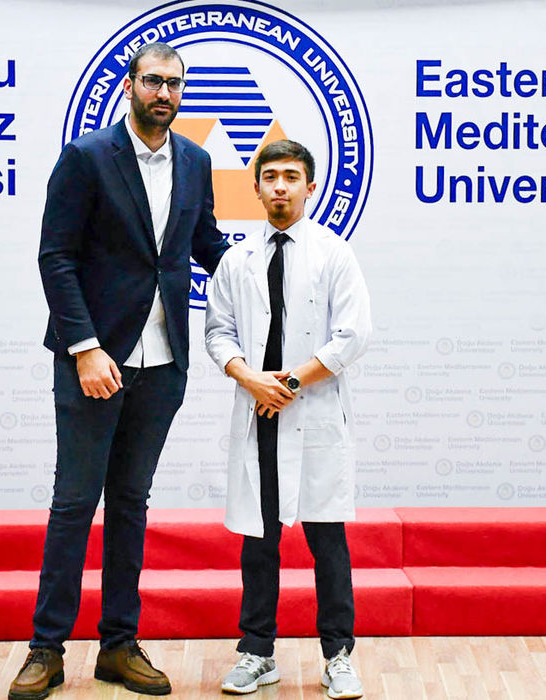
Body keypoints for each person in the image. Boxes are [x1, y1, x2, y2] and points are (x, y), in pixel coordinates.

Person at [8, 42, 228, 700]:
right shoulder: (86, 157)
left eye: (175, 84)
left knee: (131, 504)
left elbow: (206, 244)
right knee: (75, 504)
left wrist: (274, 263)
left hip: (163, 362)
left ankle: (118, 645)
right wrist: (84, 346)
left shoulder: (196, 161)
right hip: (94, 362)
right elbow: (56, 257)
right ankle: (46, 650)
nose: (165, 93)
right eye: (154, 81)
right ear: (129, 85)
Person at [204, 140, 371, 699]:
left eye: (291, 177)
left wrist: (291, 383)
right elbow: (218, 332)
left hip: (313, 412)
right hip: (260, 414)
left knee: (328, 543)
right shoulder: (236, 260)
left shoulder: (333, 254)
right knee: (260, 543)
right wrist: (251, 379)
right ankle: (257, 652)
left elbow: (354, 335)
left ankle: (338, 656)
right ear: (255, 188)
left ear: (310, 187)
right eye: (270, 176)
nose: (280, 186)